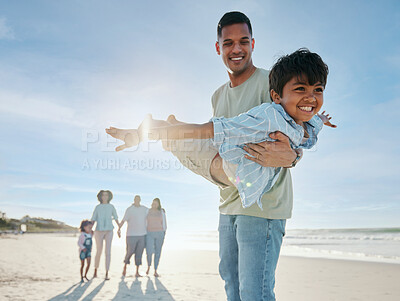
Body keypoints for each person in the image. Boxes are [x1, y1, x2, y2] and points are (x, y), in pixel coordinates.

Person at [106, 49, 335, 209]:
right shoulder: (269, 117)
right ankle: (152, 129)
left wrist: (320, 119)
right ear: (276, 96)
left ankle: (168, 125)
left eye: (318, 90)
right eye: (301, 89)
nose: (310, 97)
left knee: (178, 136)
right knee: (176, 141)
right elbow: (214, 129)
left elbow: (312, 125)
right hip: (215, 160)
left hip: (226, 162)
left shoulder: (306, 120)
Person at [91, 189, 119, 280]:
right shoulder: (97, 207)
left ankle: (107, 272)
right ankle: (95, 271)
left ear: (109, 196)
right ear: (100, 197)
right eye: (103, 195)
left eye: (106, 195)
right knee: (98, 251)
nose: (105, 197)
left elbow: (115, 217)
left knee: (108, 252)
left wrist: (119, 228)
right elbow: (93, 219)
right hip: (98, 230)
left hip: (109, 230)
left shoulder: (111, 206)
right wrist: (89, 229)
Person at [118, 195, 149, 277]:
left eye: (138, 199)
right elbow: (123, 220)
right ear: (134, 200)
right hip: (131, 235)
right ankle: (125, 267)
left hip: (142, 235)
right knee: (129, 252)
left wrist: (161, 211)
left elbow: (152, 213)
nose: (137, 201)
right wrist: (119, 229)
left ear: (140, 200)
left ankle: (137, 272)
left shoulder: (145, 209)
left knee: (139, 253)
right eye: (136, 199)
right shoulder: (129, 209)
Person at [145, 198, 167, 277]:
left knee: (158, 252)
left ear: (158, 204)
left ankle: (155, 270)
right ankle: (148, 266)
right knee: (149, 251)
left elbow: (164, 223)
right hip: (149, 233)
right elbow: (145, 222)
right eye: (153, 203)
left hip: (160, 233)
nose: (154, 205)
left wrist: (164, 233)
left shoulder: (162, 212)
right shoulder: (148, 211)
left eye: (156, 203)